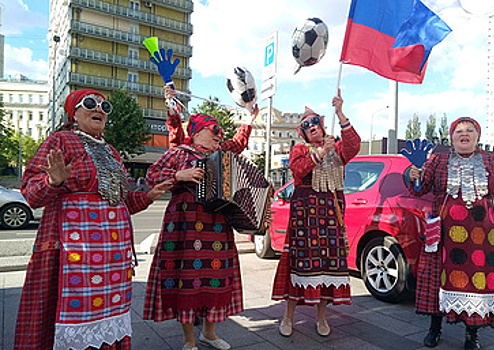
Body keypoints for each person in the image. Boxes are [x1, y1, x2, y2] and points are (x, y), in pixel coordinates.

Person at [13, 89, 173, 350]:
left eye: (104, 106)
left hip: (112, 259)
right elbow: (31, 194)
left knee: (108, 316)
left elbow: (117, 201)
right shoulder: (60, 141)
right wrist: (53, 181)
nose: (99, 109)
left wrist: (148, 196)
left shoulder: (111, 151)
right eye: (90, 103)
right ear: (73, 113)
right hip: (71, 252)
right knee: (69, 315)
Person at [409, 117, 494, 350]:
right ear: (451, 137)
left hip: (484, 237)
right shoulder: (438, 161)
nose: (464, 134)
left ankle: (472, 335)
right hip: (445, 236)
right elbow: (420, 190)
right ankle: (435, 328)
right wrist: (415, 176)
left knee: (478, 285)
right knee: (438, 280)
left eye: (470, 130)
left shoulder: (493, 162)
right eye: (459, 131)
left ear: (477, 136)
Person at [143, 87, 259, 350]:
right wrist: (178, 177)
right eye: (214, 129)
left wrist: (249, 119)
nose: (220, 134)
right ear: (197, 132)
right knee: (185, 279)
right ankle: (189, 340)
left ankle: (209, 333)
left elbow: (238, 142)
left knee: (214, 279)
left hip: (216, 226)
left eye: (220, 131)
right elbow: (151, 177)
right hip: (183, 225)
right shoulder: (179, 153)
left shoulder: (221, 155)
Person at [271, 90, 361, 337]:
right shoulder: (299, 150)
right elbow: (298, 169)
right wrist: (320, 153)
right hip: (305, 216)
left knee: (328, 266)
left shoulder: (337, 147)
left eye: (315, 123)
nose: (312, 127)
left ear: (322, 126)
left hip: (331, 215)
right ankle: (287, 316)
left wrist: (341, 114)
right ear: (302, 132)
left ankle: (321, 318)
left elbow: (354, 144)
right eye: (306, 126)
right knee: (298, 264)